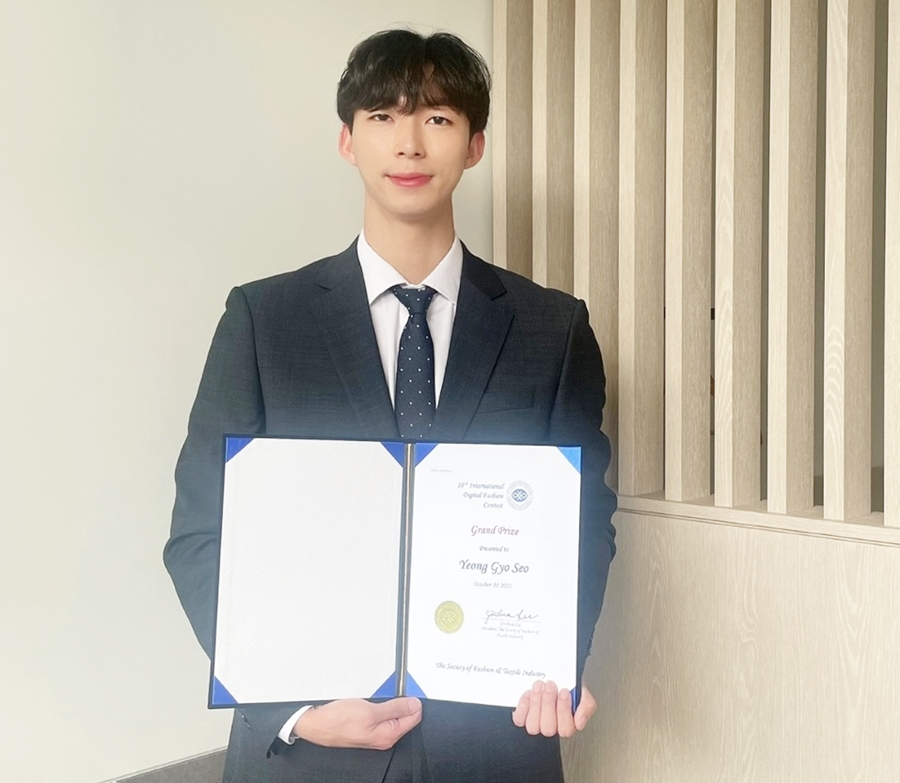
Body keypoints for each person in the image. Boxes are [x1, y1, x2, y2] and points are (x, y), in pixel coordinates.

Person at [164, 28, 616, 783]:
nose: (409, 143)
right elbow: (200, 535)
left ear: (474, 145)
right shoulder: (263, 321)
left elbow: (583, 525)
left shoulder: (552, 328)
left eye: (437, 118)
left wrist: (556, 659)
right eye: (382, 116)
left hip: (494, 744)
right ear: (348, 141)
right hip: (307, 758)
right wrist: (297, 710)